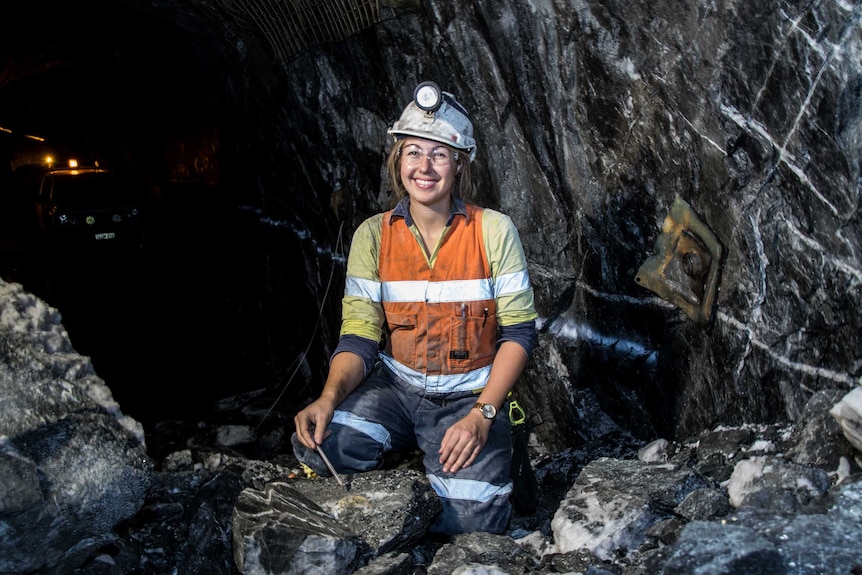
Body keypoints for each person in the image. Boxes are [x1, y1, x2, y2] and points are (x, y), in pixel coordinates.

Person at [292, 81, 538, 535]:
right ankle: (418, 456)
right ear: (397, 161)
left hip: (468, 396)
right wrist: (328, 397)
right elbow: (360, 337)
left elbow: (520, 333)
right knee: (322, 444)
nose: (425, 167)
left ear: (459, 163)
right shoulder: (374, 235)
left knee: (469, 522)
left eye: (440, 154)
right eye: (413, 153)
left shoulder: (493, 231)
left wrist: (482, 416)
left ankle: (454, 459)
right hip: (396, 390)